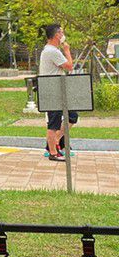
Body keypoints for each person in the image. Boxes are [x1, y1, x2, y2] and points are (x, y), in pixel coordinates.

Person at [39, 23, 77, 161]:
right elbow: (69, 66)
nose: (63, 35)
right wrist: (67, 50)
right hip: (52, 90)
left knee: (72, 116)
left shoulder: (51, 50)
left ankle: (55, 141)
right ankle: (53, 152)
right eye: (61, 32)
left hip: (57, 89)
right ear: (56, 35)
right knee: (54, 122)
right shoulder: (52, 51)